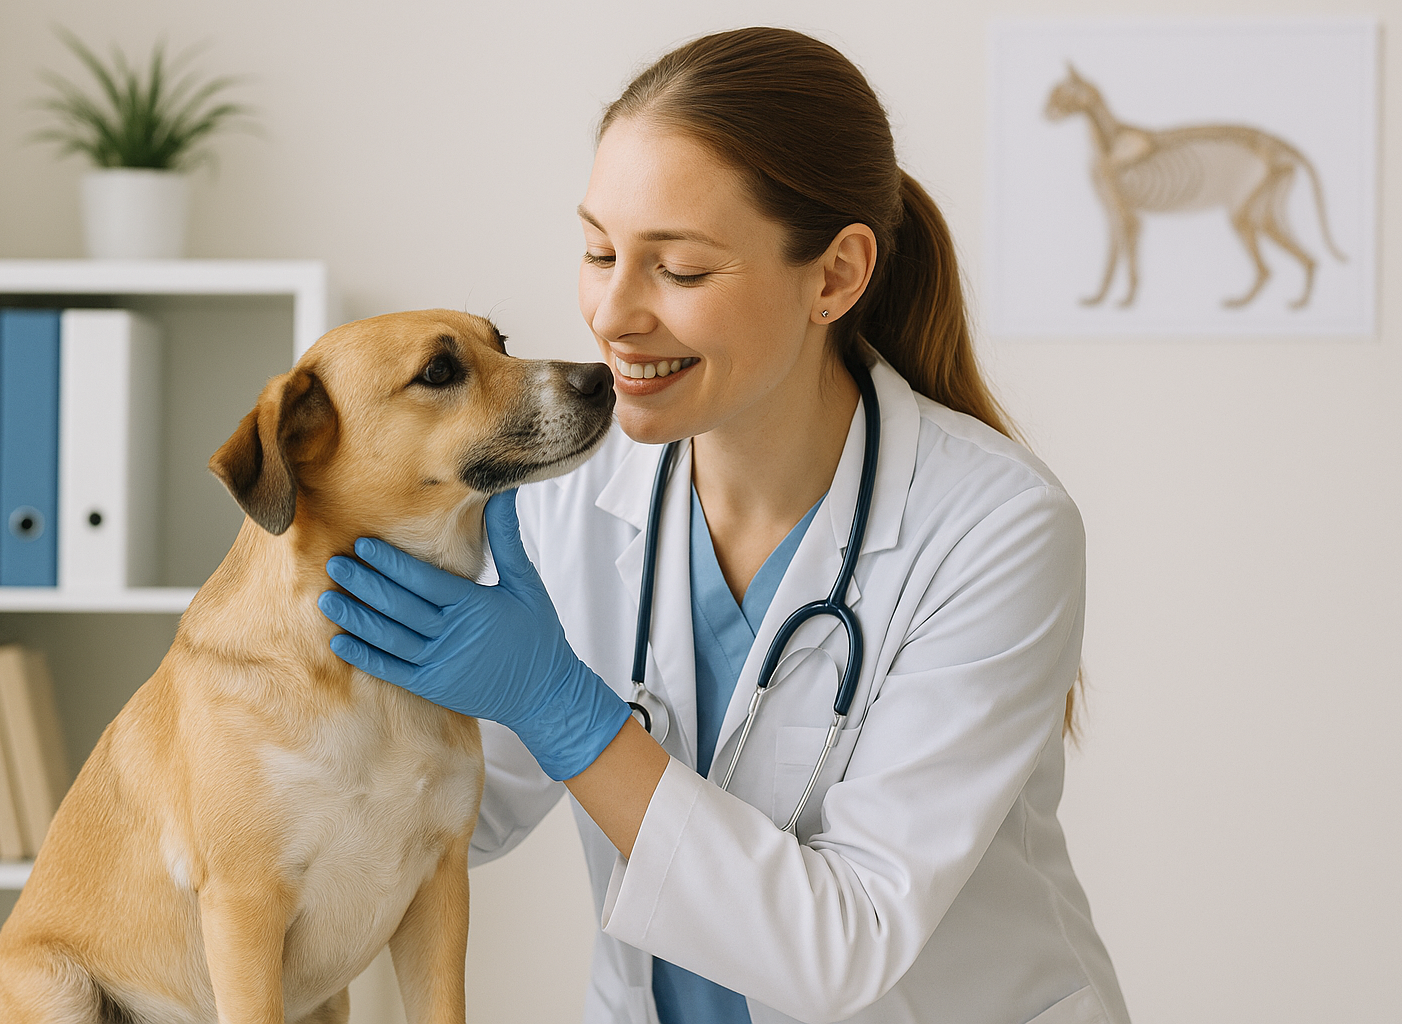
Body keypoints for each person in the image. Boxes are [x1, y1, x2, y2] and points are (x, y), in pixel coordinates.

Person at [317, 26, 1131, 1024]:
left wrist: (563, 704)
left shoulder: (995, 529)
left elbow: (845, 948)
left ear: (834, 276)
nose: (613, 313)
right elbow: (457, 818)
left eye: (681, 271)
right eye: (599, 250)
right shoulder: (568, 495)